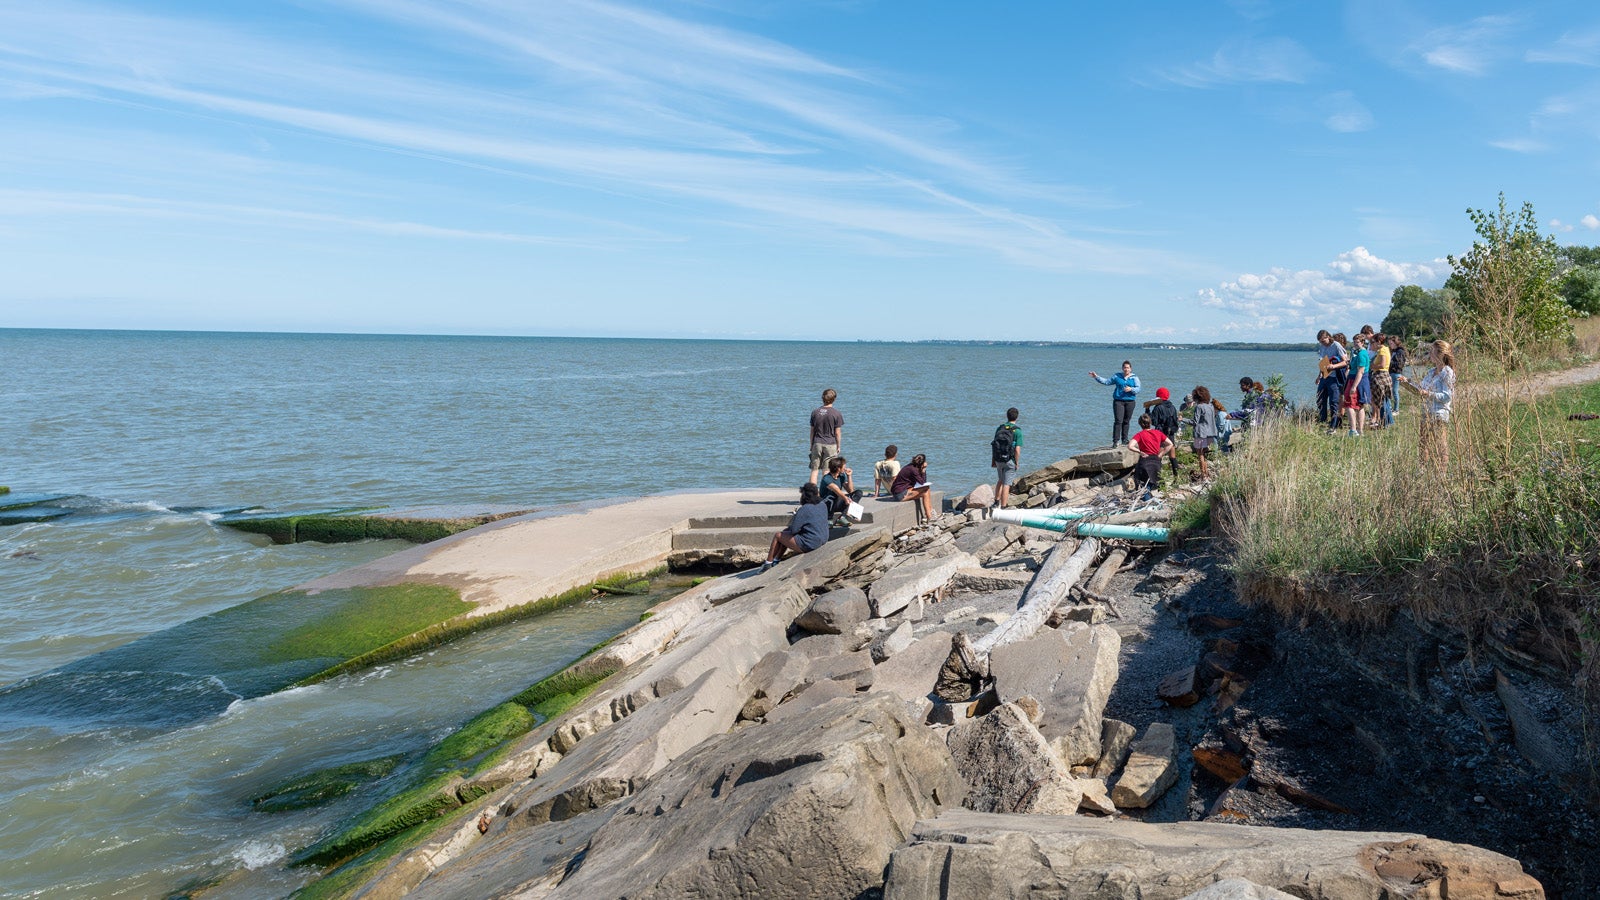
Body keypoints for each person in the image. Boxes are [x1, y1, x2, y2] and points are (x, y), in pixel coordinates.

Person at [1398, 340, 1456, 470]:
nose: (1429, 353)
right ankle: (1422, 470)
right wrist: (1407, 383)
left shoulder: (1447, 372)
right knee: (1423, 442)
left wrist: (1429, 394)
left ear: (1440, 354)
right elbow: (1421, 389)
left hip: (1439, 413)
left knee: (1440, 443)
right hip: (1426, 410)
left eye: (1432, 351)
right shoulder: (1431, 372)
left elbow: (1447, 396)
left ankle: (1442, 472)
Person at [762, 483, 829, 569]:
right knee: (785, 533)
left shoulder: (804, 509)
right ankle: (776, 559)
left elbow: (794, 530)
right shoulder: (822, 504)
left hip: (811, 543)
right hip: (823, 538)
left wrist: (796, 516)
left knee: (778, 536)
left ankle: (768, 563)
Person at [1089, 360, 1141, 446]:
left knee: (1126, 421)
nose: (1126, 369)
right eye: (1124, 367)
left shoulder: (1135, 378)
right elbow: (1106, 382)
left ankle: (1125, 439)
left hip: (1130, 401)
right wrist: (1096, 377)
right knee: (1118, 421)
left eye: (1128, 368)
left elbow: (1138, 389)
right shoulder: (1117, 376)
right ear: (1122, 368)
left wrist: (1131, 389)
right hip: (1118, 401)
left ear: (1130, 369)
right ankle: (1115, 441)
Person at [1128, 413, 1173, 496]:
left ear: (1140, 424)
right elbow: (1170, 444)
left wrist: (1139, 452)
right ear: (1150, 423)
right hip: (1156, 460)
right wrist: (1162, 453)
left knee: (1143, 482)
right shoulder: (1158, 433)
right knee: (1156, 480)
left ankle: (1146, 500)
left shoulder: (1139, 435)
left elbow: (1130, 446)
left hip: (1145, 460)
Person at [808, 388, 843, 485]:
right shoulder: (836, 413)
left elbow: (812, 431)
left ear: (822, 398)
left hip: (817, 442)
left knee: (814, 470)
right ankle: (824, 493)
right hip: (830, 444)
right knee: (826, 470)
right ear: (834, 399)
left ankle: (813, 493)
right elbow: (837, 433)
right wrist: (838, 445)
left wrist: (811, 444)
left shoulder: (815, 412)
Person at [1146, 386, 1181, 480]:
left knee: (1159, 457)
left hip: (1161, 434)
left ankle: (1159, 480)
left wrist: (1147, 410)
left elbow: (1153, 421)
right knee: (1172, 457)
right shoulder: (1173, 407)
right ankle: (1177, 478)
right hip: (1171, 433)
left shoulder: (1158, 407)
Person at [1314, 330, 1347, 428]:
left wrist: (1334, 366)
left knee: (1333, 401)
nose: (1322, 343)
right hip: (1324, 376)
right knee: (1320, 399)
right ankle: (1323, 419)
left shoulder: (1336, 345)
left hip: (1334, 377)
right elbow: (1323, 362)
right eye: (1320, 342)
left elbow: (1345, 362)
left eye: (1323, 341)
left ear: (1328, 337)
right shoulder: (1322, 347)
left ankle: (1334, 423)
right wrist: (1319, 375)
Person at [991, 407, 1022, 509]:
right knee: (1006, 484)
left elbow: (994, 445)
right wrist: (1017, 463)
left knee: (1000, 480)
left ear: (1007, 416)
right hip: (1009, 460)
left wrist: (993, 461)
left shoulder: (1000, 428)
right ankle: (1003, 507)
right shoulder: (1017, 431)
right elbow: (1017, 450)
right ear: (1017, 417)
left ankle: (996, 502)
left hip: (998, 459)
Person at [889, 453, 934, 523]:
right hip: (900, 495)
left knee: (926, 490)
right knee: (926, 489)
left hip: (899, 492)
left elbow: (922, 482)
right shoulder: (913, 470)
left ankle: (930, 514)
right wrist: (924, 470)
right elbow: (922, 482)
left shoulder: (911, 466)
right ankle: (929, 516)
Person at [1189, 385, 1220, 480]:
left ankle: (1204, 475)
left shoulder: (1199, 407)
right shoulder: (1210, 406)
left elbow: (1194, 422)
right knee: (1204, 454)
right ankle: (1206, 473)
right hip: (1211, 433)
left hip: (1200, 434)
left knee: (1200, 455)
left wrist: (1183, 419)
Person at [1343, 334, 1371, 437]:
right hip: (1353, 378)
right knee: (1359, 406)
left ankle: (1353, 430)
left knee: (1350, 404)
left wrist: (1354, 386)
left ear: (1362, 343)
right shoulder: (1356, 352)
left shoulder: (1362, 354)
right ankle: (1359, 431)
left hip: (1357, 381)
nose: (1355, 344)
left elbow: (1361, 371)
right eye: (1354, 342)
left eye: (1357, 342)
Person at [819, 456, 861, 521]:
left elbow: (850, 490)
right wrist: (845, 499)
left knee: (858, 493)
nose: (845, 468)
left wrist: (849, 476)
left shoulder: (841, 476)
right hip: (827, 504)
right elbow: (836, 490)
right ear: (838, 468)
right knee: (833, 493)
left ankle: (842, 517)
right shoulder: (826, 478)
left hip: (837, 503)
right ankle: (829, 519)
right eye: (844, 466)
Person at [1369, 333, 1393, 428]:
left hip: (1380, 376)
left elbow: (1382, 365)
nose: (1372, 344)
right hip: (1383, 376)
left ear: (1379, 342)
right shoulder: (1385, 349)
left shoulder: (1382, 351)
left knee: (1381, 401)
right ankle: (1388, 422)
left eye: (1373, 342)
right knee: (1384, 401)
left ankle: (1384, 423)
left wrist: (1372, 366)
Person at [1388, 335, 1407, 414]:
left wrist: (1389, 363)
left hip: (1396, 373)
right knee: (1389, 390)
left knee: (1395, 391)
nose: (1390, 345)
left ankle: (1396, 409)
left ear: (1396, 342)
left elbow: (1400, 363)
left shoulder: (1400, 351)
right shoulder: (1394, 351)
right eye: (1389, 343)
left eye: (1391, 343)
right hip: (1391, 372)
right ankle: (1390, 408)